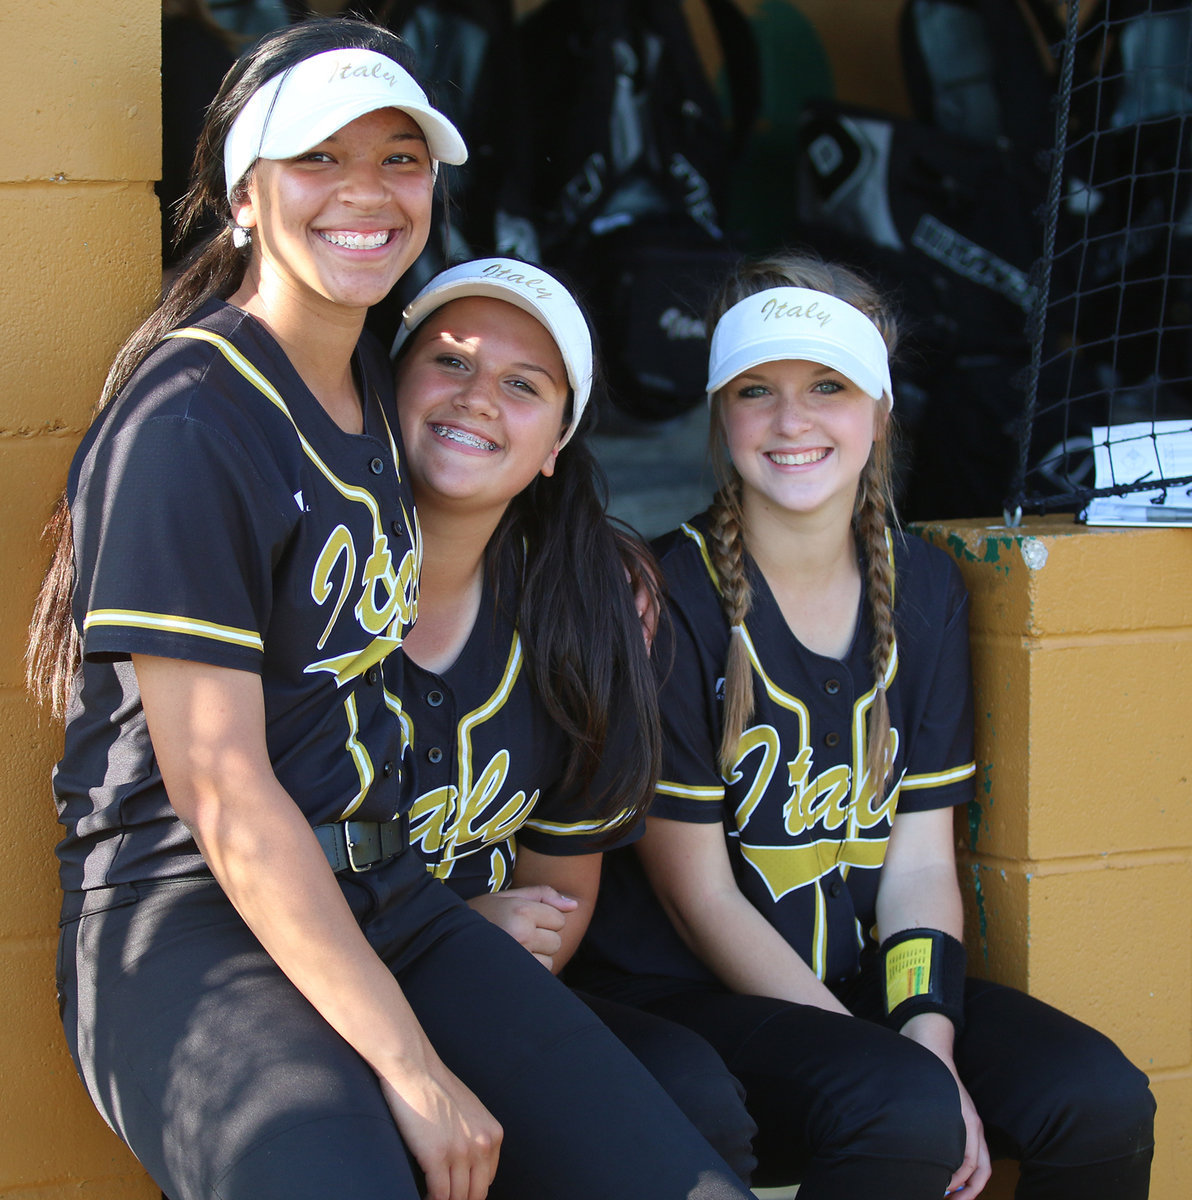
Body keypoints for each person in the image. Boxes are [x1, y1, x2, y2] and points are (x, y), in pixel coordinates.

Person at [27, 19, 756, 1200]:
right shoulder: (191, 422)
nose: (365, 193)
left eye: (400, 160)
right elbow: (223, 797)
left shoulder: (375, 380)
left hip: (389, 895)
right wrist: (412, 1070)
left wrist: (600, 553)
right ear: (244, 198)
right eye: (319, 158)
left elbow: (489, 436)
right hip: (191, 918)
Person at [570, 251, 1157, 1199]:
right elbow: (700, 900)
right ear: (720, 411)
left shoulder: (923, 587)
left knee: (1099, 1098)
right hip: (697, 998)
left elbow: (920, 866)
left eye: (828, 386)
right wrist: (901, 1065)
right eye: (757, 390)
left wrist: (927, 1028)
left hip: (854, 979)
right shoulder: (666, 598)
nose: (792, 421)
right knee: (902, 1107)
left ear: (879, 406)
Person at [389, 256, 757, 1181]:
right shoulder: (305, 578)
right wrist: (463, 930)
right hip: (313, 998)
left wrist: (485, 971)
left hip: (490, 989)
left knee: (695, 1094)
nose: (479, 398)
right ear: (386, 389)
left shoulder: (583, 610)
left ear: (557, 441)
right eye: (450, 361)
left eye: (523, 385)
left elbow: (557, 905)